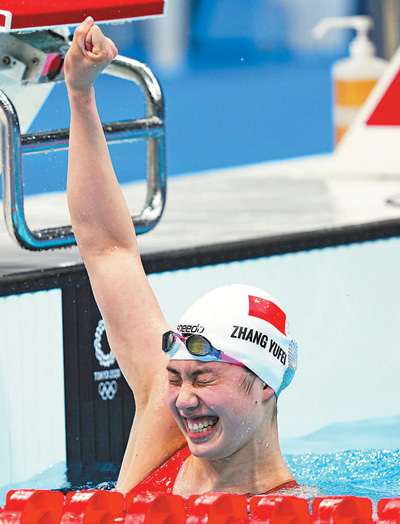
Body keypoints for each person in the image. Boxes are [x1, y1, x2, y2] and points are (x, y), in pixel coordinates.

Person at [64, 17, 298, 497]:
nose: (184, 400)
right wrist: (81, 94)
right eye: (175, 377)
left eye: (205, 378)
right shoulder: (161, 427)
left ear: (265, 385)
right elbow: (107, 247)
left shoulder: (302, 510)